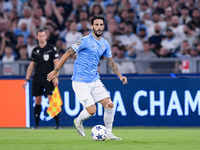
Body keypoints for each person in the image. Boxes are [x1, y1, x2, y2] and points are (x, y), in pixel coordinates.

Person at [47, 15, 127, 140]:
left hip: (94, 79)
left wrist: (120, 76)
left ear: (103, 27)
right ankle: (78, 121)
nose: (99, 27)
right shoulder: (84, 41)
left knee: (110, 105)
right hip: (80, 81)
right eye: (96, 25)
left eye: (101, 25)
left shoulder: (105, 44)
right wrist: (56, 70)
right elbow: (68, 53)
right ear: (92, 26)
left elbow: (110, 61)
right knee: (92, 111)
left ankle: (109, 133)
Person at [22, 29, 60, 129]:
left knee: (51, 99)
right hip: (37, 78)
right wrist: (26, 79)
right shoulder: (35, 50)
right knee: (37, 100)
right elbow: (31, 66)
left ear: (46, 36)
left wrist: (56, 77)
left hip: (49, 77)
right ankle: (37, 125)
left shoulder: (51, 48)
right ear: (37, 37)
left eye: (43, 35)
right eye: (40, 36)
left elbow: (57, 64)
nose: (42, 37)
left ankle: (57, 124)